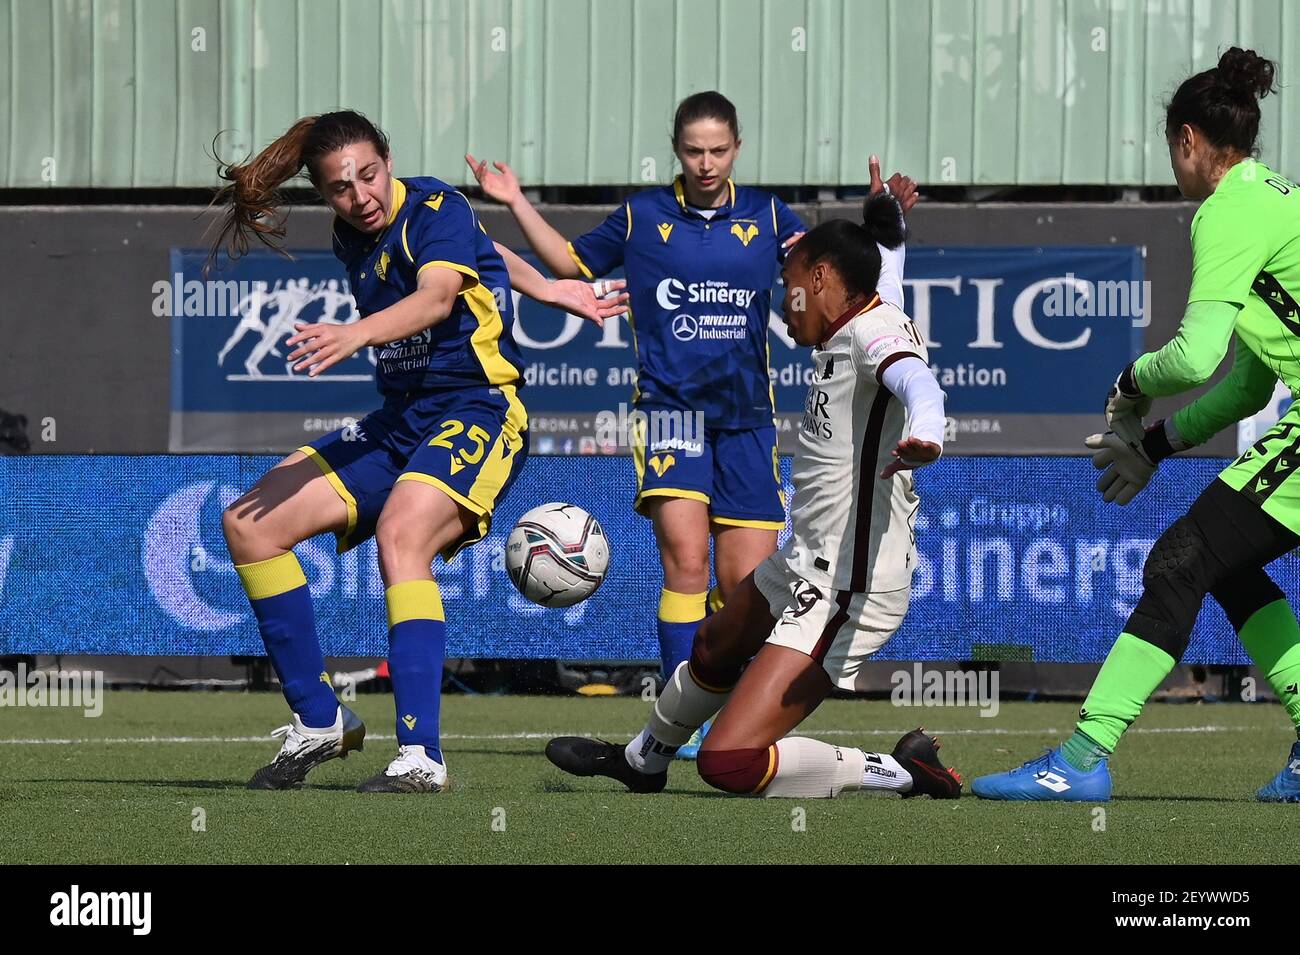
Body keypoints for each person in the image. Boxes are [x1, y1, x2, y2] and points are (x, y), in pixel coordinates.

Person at [468, 91, 916, 758]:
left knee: (748, 586)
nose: (705, 162)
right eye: (693, 150)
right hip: (670, 411)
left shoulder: (766, 215)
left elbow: (842, 272)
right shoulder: (641, 215)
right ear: (676, 150)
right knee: (684, 561)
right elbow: (569, 262)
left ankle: (733, 718)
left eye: (718, 150)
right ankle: (680, 727)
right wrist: (515, 200)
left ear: (737, 148)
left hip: (747, 422)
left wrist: (882, 225)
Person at [210, 110, 626, 793]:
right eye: (340, 188)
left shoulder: (435, 205)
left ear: (388, 160)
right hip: (402, 419)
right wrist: (546, 286)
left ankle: (421, 756)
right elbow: (483, 249)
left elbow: (437, 296)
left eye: (370, 175)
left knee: (402, 535)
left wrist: (356, 334)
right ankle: (320, 720)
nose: (360, 196)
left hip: (480, 407)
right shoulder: (357, 233)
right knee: (248, 524)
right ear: (324, 192)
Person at [545, 191, 961, 799]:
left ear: (820, 277)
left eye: (787, 282)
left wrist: (927, 428)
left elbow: (916, 378)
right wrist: (890, 233)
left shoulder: (872, 336)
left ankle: (901, 770)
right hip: (805, 559)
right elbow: (885, 279)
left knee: (731, 762)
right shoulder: (864, 309)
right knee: (713, 644)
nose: (781, 303)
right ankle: (644, 761)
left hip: (849, 587)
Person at [974, 47, 1300, 802]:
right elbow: (1248, 386)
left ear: (1188, 141)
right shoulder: (1272, 199)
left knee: (1182, 559)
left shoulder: (1229, 210)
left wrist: (1129, 382)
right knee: (1220, 563)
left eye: (1171, 151)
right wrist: (1156, 444)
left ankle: (1082, 757)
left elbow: (1191, 358)